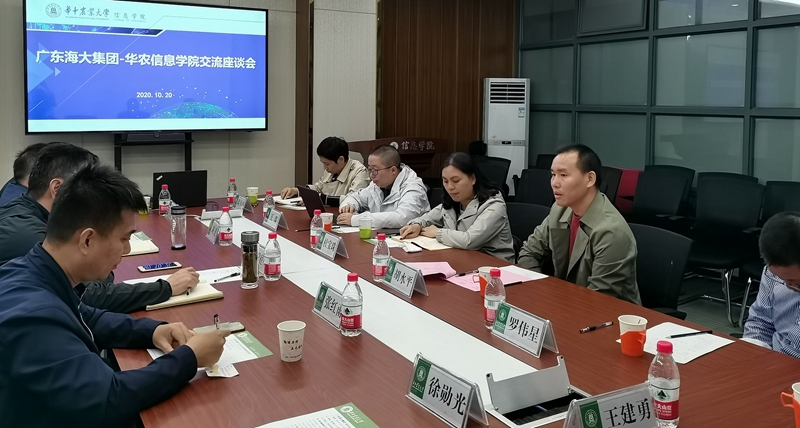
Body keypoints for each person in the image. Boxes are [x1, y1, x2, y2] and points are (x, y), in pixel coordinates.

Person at [0, 163, 230, 427]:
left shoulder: (33, 270)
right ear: (87, 240)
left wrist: (152, 331)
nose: (128, 249)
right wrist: (189, 358)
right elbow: (109, 397)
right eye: (123, 238)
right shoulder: (33, 317)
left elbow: (87, 317)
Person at [0, 142, 199, 313]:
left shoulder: (32, 211)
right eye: (87, 185)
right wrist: (165, 288)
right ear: (57, 188)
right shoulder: (26, 233)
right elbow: (88, 295)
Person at [517, 144, 641, 305]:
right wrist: (542, 289)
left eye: (563, 175)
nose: (554, 183)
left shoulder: (611, 231)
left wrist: (551, 297)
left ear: (590, 179)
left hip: (608, 314)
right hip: (565, 302)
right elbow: (528, 252)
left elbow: (599, 298)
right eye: (553, 175)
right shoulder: (559, 210)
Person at [400, 152, 514, 262]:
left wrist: (438, 233)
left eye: (456, 181)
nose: (450, 187)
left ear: (473, 179)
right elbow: (427, 218)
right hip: (460, 259)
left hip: (495, 266)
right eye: (445, 181)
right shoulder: (453, 202)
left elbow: (470, 240)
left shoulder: (494, 205)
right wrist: (416, 225)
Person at [743, 212, 800, 358]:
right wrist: (753, 354)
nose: (790, 286)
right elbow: (760, 322)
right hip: (774, 360)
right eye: (782, 279)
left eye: (795, 282)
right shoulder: (772, 274)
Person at [337, 145, 430, 229]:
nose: (371, 175)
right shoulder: (376, 185)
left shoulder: (413, 188)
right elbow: (356, 197)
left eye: (375, 170)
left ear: (393, 170)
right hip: (381, 236)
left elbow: (402, 218)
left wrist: (356, 220)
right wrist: (348, 206)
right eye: (370, 169)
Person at [280, 136, 370, 201]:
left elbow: (353, 199)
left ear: (341, 159)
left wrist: (323, 199)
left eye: (327, 164)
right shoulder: (331, 170)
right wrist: (297, 191)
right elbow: (318, 188)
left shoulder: (360, 171)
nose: (325, 168)